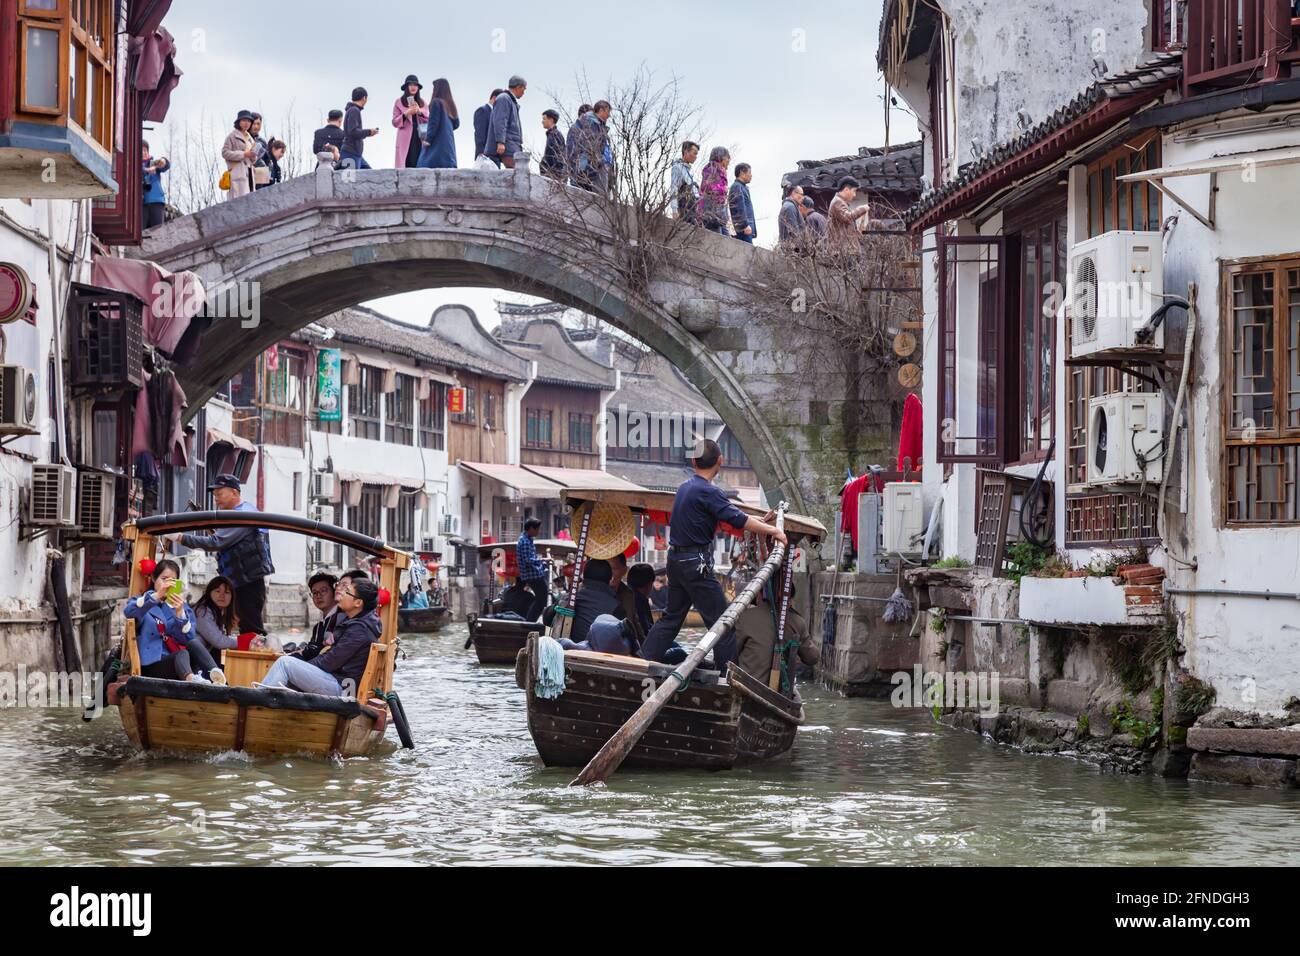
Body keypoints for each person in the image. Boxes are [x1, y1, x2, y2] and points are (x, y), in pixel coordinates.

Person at [639, 439, 786, 670]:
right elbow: (737, 519)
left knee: (671, 618)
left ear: (694, 461)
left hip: (676, 561)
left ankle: (642, 661)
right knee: (723, 624)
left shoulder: (686, 487)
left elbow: (730, 516)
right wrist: (774, 530)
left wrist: (760, 522)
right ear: (720, 461)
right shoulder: (708, 491)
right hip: (695, 564)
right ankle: (725, 677)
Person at [170, 475, 275, 636]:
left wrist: (180, 538)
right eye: (214, 495)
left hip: (249, 584)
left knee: (251, 628)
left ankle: (257, 658)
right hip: (237, 582)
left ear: (234, 492)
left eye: (219, 494)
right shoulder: (235, 515)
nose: (216, 499)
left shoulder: (243, 515)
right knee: (234, 624)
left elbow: (216, 542)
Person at [258, 578, 381, 696]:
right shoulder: (358, 624)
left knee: (285, 663)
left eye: (347, 591)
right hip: (338, 681)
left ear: (358, 603)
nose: (341, 593)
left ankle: (255, 702)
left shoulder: (359, 630)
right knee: (289, 667)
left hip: (342, 687)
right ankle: (261, 700)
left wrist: (303, 666)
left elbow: (331, 661)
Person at [123, 559, 225, 684]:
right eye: (164, 579)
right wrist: (157, 596)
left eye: (172, 581)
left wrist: (179, 614)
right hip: (152, 664)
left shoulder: (182, 607)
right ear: (154, 579)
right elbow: (129, 612)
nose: (168, 584)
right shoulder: (144, 601)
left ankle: (217, 675)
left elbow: (188, 638)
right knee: (180, 654)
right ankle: (192, 680)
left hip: (179, 663)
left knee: (193, 643)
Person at [733, 581, 817, 689]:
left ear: (760, 594)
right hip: (779, 691)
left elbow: (732, 652)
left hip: (747, 687)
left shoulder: (745, 617)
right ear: (790, 599)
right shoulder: (797, 621)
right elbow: (812, 658)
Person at [569, 558, 621, 644]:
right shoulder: (616, 606)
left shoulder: (573, 598)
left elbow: (548, 618)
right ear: (610, 579)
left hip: (572, 650)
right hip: (603, 654)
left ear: (584, 577)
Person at [192, 575, 240, 664]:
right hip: (191, 658)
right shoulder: (203, 611)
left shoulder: (218, 612)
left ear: (232, 597)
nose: (222, 595)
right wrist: (243, 642)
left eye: (227, 592)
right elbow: (219, 641)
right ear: (209, 593)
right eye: (218, 591)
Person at [567, 100, 611, 193]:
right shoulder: (589, 125)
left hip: (588, 171)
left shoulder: (598, 126)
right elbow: (588, 149)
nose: (609, 115)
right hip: (585, 170)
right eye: (607, 111)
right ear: (601, 110)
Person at [295, 572, 341, 661]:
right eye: (315, 593)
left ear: (335, 592)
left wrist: (301, 652)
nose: (318, 596)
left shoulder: (340, 620)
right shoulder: (318, 626)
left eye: (323, 591)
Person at [416, 78, 460, 169]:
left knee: (423, 164)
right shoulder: (451, 105)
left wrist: (428, 139)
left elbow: (433, 123)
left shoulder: (436, 102)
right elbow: (456, 124)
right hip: (448, 146)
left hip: (437, 145)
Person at [516, 517, 550, 622]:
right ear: (530, 528)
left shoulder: (528, 539)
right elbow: (528, 560)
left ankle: (530, 621)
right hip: (533, 575)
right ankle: (529, 622)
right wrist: (543, 559)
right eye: (537, 529)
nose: (538, 531)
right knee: (542, 599)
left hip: (534, 575)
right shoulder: (525, 541)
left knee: (541, 599)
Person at [488, 75, 526, 169]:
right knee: (515, 172)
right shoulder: (504, 98)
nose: (523, 93)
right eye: (523, 89)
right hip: (508, 145)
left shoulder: (510, 100)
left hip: (511, 145)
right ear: (518, 87)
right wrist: (500, 142)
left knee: (515, 172)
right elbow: (500, 121)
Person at [393, 74, 429, 169]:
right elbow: (394, 122)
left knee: (420, 162)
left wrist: (419, 112)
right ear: (406, 87)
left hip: (420, 136)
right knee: (406, 162)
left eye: (415, 85)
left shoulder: (423, 103)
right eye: (411, 85)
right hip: (405, 138)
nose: (413, 87)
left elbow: (429, 119)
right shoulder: (399, 102)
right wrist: (406, 113)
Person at [341, 87, 380, 170]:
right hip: (350, 152)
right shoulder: (354, 110)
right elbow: (353, 131)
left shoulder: (352, 110)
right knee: (349, 180)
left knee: (370, 175)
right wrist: (369, 132)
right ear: (364, 98)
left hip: (356, 153)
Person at [221, 110, 257, 199]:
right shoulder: (232, 136)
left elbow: (252, 159)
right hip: (237, 173)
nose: (247, 123)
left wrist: (254, 156)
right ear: (238, 122)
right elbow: (225, 153)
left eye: (249, 121)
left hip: (250, 174)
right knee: (238, 203)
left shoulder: (250, 138)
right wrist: (244, 154)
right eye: (244, 120)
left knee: (250, 202)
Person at [697, 147, 732, 235]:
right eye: (727, 157)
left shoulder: (721, 171)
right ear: (721, 157)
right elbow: (707, 186)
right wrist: (723, 189)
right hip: (710, 211)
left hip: (719, 212)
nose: (729, 160)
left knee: (726, 238)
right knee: (718, 239)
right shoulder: (711, 168)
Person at [828, 176, 869, 245]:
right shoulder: (837, 202)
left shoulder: (840, 201)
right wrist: (863, 209)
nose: (854, 195)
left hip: (842, 246)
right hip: (840, 248)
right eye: (854, 191)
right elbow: (848, 217)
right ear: (846, 190)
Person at [670, 141, 700, 222]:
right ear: (686, 152)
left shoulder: (689, 171)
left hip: (693, 209)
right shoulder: (677, 168)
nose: (695, 157)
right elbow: (674, 188)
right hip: (684, 209)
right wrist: (674, 211)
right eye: (694, 153)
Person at [141, 141, 169, 229]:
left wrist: (163, 161)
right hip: (142, 204)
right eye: (141, 150)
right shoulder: (134, 165)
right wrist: (147, 170)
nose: (143, 153)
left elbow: (166, 166)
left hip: (156, 201)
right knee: (141, 233)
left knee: (158, 231)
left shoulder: (154, 163)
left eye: (145, 150)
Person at [473, 89, 504, 164]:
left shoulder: (497, 114)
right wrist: (482, 153)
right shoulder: (482, 111)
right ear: (494, 98)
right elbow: (479, 134)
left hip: (495, 157)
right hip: (485, 156)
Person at [727, 161, 756, 242]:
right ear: (742, 173)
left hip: (746, 228)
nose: (751, 175)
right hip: (743, 229)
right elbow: (739, 207)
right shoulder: (737, 187)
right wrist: (745, 225)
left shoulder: (743, 187)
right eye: (749, 172)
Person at [539, 109, 566, 181]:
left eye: (544, 119)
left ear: (551, 120)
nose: (542, 121)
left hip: (554, 176)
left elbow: (553, 157)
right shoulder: (554, 134)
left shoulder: (554, 135)